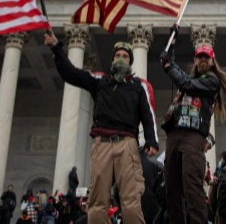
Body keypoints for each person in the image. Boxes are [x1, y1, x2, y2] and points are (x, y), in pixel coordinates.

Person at [45, 33, 159, 224]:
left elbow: (147, 115)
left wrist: (151, 140)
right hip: (102, 144)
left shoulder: (138, 86)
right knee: (97, 202)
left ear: (130, 62)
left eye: (125, 56)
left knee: (131, 201)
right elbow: (71, 73)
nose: (121, 59)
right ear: (113, 59)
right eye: (118, 55)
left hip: (127, 144)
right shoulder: (100, 81)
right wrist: (56, 48)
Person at [160, 39, 226, 224]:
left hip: (193, 137)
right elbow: (185, 81)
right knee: (171, 190)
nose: (203, 59)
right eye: (200, 56)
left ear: (212, 61)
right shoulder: (192, 79)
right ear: (195, 60)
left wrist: (169, 65)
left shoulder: (212, 81)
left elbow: (186, 84)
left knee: (192, 187)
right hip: (174, 134)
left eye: (206, 57)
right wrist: (170, 52)